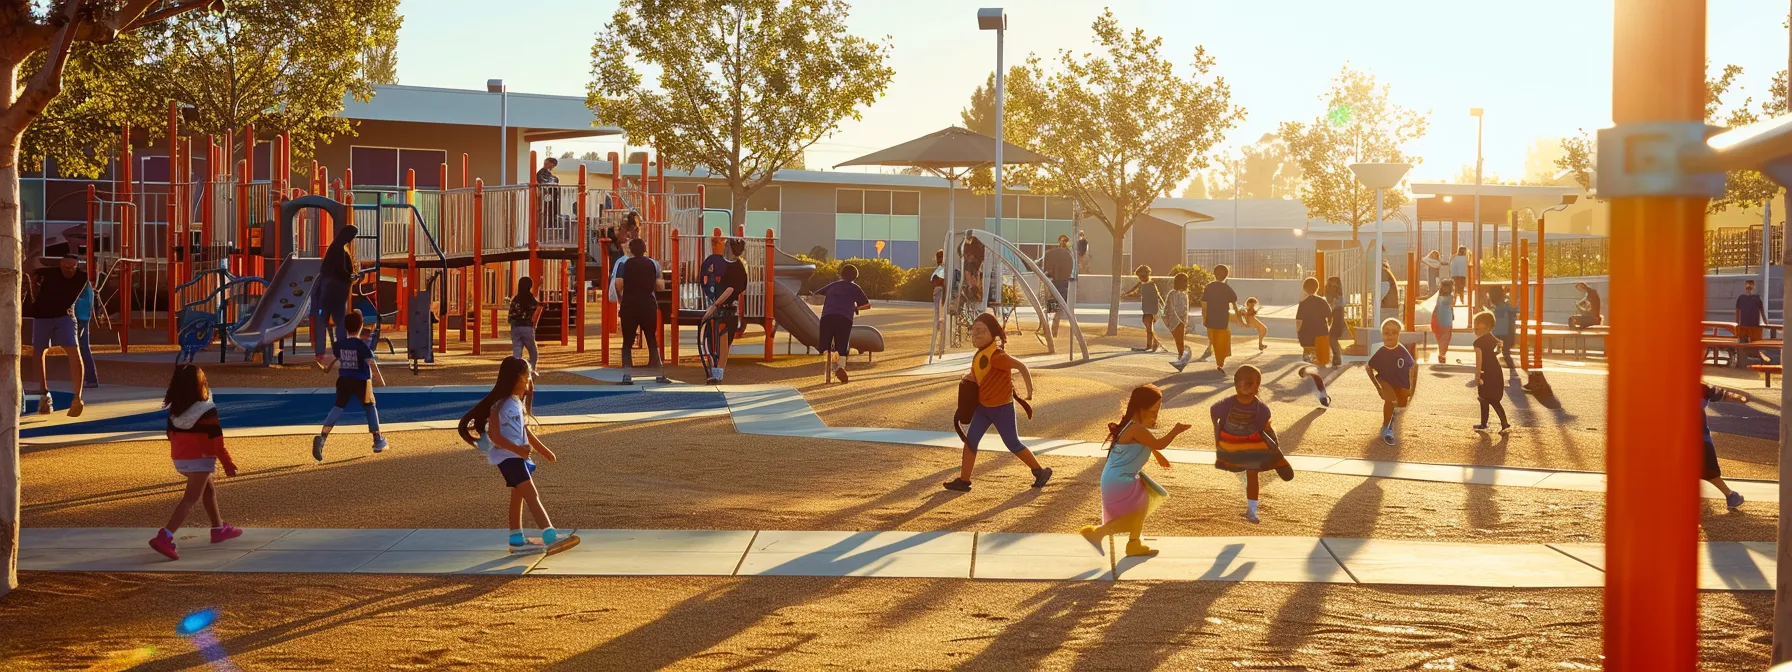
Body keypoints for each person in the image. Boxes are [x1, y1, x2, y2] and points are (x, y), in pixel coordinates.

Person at [458, 357, 574, 551]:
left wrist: (544, 451)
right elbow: (495, 436)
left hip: (516, 458)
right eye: (528, 375)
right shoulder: (499, 406)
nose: (530, 380)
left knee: (518, 496)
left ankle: (516, 537)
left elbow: (525, 431)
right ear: (518, 378)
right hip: (509, 459)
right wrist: (518, 450)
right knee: (531, 494)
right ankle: (549, 534)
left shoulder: (515, 403)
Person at [942, 312, 1052, 492]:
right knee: (971, 441)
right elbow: (978, 375)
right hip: (984, 407)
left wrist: (1029, 392)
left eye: (981, 331)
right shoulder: (980, 354)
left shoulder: (997, 356)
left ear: (992, 333)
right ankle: (964, 480)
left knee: (1012, 443)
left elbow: (1021, 366)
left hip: (1002, 409)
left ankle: (1040, 471)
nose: (976, 334)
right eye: (974, 330)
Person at [149, 364, 243, 560]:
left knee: (208, 489)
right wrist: (227, 463)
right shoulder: (206, 410)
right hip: (200, 459)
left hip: (180, 458)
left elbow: (170, 434)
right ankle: (165, 536)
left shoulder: (176, 409)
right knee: (190, 499)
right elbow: (217, 442)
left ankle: (218, 528)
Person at [1080, 385, 1186, 557]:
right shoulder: (1136, 428)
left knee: (1139, 508)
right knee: (1133, 513)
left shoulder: (1132, 427)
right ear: (1142, 409)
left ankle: (1133, 544)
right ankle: (1098, 534)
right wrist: (1176, 430)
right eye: (1154, 410)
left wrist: (1157, 455)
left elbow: (1147, 444)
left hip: (1119, 477)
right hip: (1120, 480)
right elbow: (1158, 443)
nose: (1156, 415)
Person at [1210, 365, 1292, 524]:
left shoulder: (1261, 408)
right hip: (1232, 444)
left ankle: (1252, 511)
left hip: (1252, 447)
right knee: (1245, 473)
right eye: (1241, 384)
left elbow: (1263, 423)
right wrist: (1218, 431)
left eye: (1250, 384)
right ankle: (1275, 460)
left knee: (1252, 473)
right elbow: (1214, 411)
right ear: (1235, 385)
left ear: (1257, 386)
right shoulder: (1227, 403)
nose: (1245, 387)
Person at [312, 310, 387, 461]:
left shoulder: (340, 345)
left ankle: (323, 436)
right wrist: (380, 379)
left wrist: (326, 367)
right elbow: (371, 363)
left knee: (338, 407)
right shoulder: (362, 346)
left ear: (345, 328)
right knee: (370, 406)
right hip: (361, 381)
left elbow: (334, 359)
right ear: (360, 326)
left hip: (344, 379)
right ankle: (377, 439)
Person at [29, 253, 89, 416]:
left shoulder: (82, 277)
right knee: (39, 350)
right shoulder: (49, 273)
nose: (68, 270)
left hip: (64, 315)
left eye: (72, 267)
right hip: (42, 314)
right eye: (65, 267)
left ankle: (77, 397)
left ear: (77, 266)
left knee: (73, 350)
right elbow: (33, 268)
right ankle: (44, 393)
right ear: (60, 264)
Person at [615, 237, 667, 384]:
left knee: (627, 341)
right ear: (645, 249)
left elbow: (618, 284)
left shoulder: (624, 264)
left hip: (629, 305)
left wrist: (621, 299)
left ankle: (627, 374)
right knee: (651, 337)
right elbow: (660, 286)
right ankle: (658, 372)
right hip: (648, 304)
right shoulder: (653, 264)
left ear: (630, 250)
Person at [699, 237, 749, 384]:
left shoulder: (737, 268)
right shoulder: (728, 265)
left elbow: (730, 289)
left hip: (725, 310)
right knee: (713, 340)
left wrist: (714, 306)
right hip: (725, 309)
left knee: (722, 341)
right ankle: (715, 370)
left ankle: (718, 372)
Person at [814, 263, 872, 383]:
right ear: (855, 277)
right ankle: (839, 367)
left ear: (841, 274)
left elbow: (816, 295)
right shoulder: (855, 288)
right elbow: (867, 305)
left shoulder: (833, 285)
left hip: (827, 317)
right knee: (842, 345)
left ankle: (831, 364)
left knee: (825, 346)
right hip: (844, 318)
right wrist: (855, 309)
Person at [310, 225, 359, 366]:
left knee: (321, 320)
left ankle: (319, 352)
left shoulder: (333, 248)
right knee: (340, 321)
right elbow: (343, 270)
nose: (352, 239)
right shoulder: (341, 250)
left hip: (326, 292)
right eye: (352, 236)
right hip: (338, 291)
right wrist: (351, 277)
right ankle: (342, 351)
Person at [1367, 318, 1418, 446]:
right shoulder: (1381, 352)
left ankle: (1390, 424)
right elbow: (1369, 368)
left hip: (1400, 383)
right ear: (1382, 334)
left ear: (1399, 334)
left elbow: (1412, 368)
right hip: (1384, 381)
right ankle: (1387, 428)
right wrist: (1378, 387)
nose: (1390, 336)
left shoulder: (1402, 351)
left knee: (1399, 405)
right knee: (1390, 400)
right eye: (1386, 332)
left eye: (1394, 332)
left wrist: (1410, 388)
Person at [1700, 383, 1748, 510]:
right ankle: (1730, 495)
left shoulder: (1700, 388)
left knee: (1708, 469)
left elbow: (1720, 394)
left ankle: (1730, 495)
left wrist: (1738, 398)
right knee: (1709, 470)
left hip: (1697, 437)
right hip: (1696, 438)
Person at [1470, 310, 1512, 434]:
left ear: (1483, 325)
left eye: (1477, 323)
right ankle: (1502, 422)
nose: (1475, 326)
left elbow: (1479, 360)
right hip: (1495, 369)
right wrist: (1496, 352)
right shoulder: (1491, 338)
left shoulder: (1478, 342)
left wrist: (1477, 375)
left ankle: (1486, 423)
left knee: (1484, 398)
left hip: (1485, 371)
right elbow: (1497, 348)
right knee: (1492, 399)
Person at [1202, 264, 1240, 371]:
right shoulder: (1227, 288)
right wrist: (1239, 319)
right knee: (1222, 342)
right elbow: (1234, 303)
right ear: (1226, 275)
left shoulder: (1209, 287)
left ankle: (1219, 360)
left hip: (1210, 320)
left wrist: (1204, 318)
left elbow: (1204, 305)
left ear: (1214, 274)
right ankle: (1220, 363)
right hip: (1223, 320)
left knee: (1214, 341)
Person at [1041, 235, 1076, 337]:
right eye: (1062, 241)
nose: (1063, 242)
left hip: (1059, 283)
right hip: (1058, 283)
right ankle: (1051, 330)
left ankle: (1052, 330)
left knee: (1055, 308)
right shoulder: (1064, 254)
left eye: (1064, 241)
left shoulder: (1064, 254)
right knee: (1054, 308)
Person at [1121, 266, 1160, 353]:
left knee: (1148, 326)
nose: (1140, 278)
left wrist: (1155, 311)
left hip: (1151, 308)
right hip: (1146, 307)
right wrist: (1125, 294)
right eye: (1139, 277)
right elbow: (1134, 290)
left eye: (1141, 276)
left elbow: (1157, 297)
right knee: (1148, 326)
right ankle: (1154, 343)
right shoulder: (1141, 283)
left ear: (1147, 275)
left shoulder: (1151, 284)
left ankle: (1151, 345)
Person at [508, 276, 543, 373]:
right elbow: (538, 309)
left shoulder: (515, 299)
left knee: (517, 349)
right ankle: (531, 370)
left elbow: (510, 315)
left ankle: (516, 371)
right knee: (533, 351)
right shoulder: (532, 299)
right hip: (527, 327)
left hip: (515, 327)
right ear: (530, 286)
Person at [1295, 277, 1332, 367]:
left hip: (1306, 335)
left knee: (1308, 362)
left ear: (1304, 289)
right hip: (1321, 334)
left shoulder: (1303, 304)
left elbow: (1298, 321)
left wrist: (1298, 333)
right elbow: (1330, 317)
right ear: (1317, 288)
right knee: (1321, 362)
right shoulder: (1323, 302)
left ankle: (1309, 376)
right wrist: (1328, 329)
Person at [1736, 280, 1771, 364]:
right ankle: (1743, 361)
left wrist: (1766, 323)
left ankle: (1752, 359)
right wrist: (1737, 324)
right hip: (1745, 326)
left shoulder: (1756, 298)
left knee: (1754, 344)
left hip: (1753, 325)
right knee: (1745, 343)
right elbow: (1737, 311)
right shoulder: (1742, 298)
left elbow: (1761, 310)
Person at [73, 277, 98, 389]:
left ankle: (90, 378)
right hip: (83, 317)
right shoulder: (86, 286)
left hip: (80, 317)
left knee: (83, 347)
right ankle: (89, 378)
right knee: (83, 347)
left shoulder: (80, 283)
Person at [1164, 273, 1192, 371]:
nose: (1186, 283)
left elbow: (1186, 310)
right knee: (1178, 341)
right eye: (1184, 281)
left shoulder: (1184, 294)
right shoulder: (1172, 293)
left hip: (1181, 321)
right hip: (1174, 320)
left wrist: (1185, 322)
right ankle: (1181, 359)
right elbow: (1168, 307)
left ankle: (1181, 360)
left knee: (1180, 341)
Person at [1488, 286, 1520, 369]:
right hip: (1507, 331)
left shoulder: (1497, 307)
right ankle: (1511, 367)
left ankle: (1491, 365)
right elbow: (1514, 311)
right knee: (1506, 352)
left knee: (1496, 350)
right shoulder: (1506, 306)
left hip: (1498, 332)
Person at [1431, 279, 1456, 364]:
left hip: (1439, 315)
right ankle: (1442, 354)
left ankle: (1441, 354)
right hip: (1445, 317)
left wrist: (1434, 315)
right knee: (1445, 336)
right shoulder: (1451, 296)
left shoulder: (1440, 295)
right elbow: (1451, 305)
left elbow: (1437, 306)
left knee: (1440, 336)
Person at [1325, 277, 1347, 370]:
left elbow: (1330, 302)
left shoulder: (1334, 293)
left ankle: (1337, 357)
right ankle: (1337, 356)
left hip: (1337, 314)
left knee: (1332, 336)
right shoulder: (1340, 292)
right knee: (1334, 337)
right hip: (1339, 313)